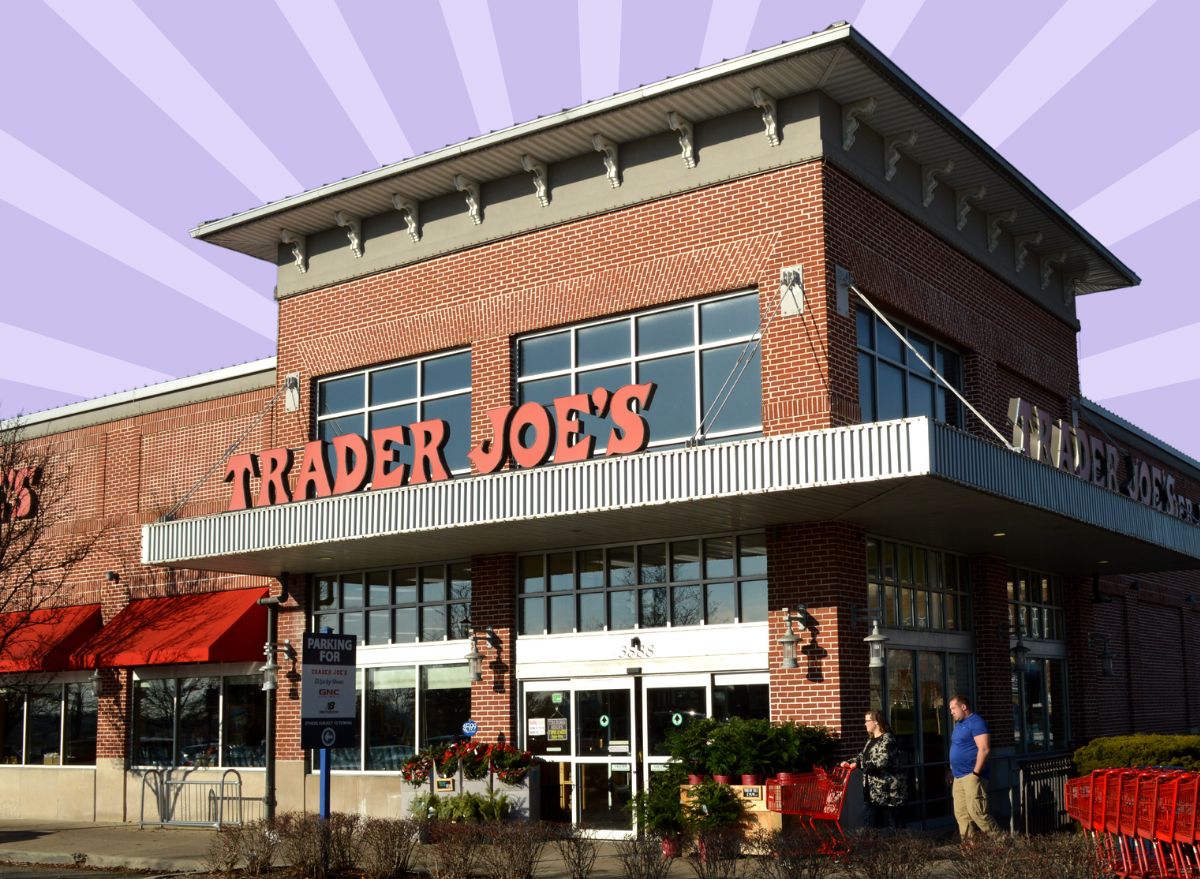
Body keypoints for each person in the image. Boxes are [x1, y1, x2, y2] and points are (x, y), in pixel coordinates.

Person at [841, 709, 906, 830]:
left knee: (894, 827)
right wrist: (849, 762)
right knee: (870, 826)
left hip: (888, 794)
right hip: (872, 794)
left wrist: (858, 764)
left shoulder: (888, 739)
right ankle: (872, 847)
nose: (865, 724)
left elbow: (881, 762)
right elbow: (862, 756)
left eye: (867, 721)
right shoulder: (870, 740)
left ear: (876, 722)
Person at [948, 694, 1002, 837]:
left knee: (978, 813)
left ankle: (1003, 843)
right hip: (958, 777)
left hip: (972, 776)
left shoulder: (976, 722)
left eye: (953, 708)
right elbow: (957, 748)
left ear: (963, 707)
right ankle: (971, 851)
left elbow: (984, 749)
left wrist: (976, 773)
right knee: (962, 816)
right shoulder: (958, 725)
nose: (951, 712)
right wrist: (951, 771)